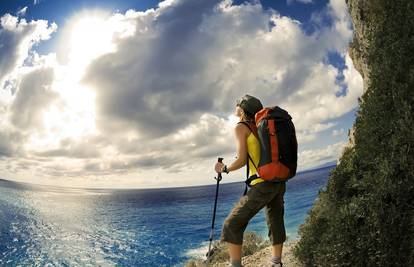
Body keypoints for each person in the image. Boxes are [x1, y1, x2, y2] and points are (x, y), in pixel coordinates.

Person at [214, 94, 286, 267]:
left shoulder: (241, 127)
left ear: (243, 109)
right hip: (279, 180)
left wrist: (223, 169)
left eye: (238, 104)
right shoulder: (263, 125)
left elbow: (241, 160)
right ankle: (277, 263)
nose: (236, 106)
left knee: (232, 224)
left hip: (262, 184)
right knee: (276, 220)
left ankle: (236, 265)